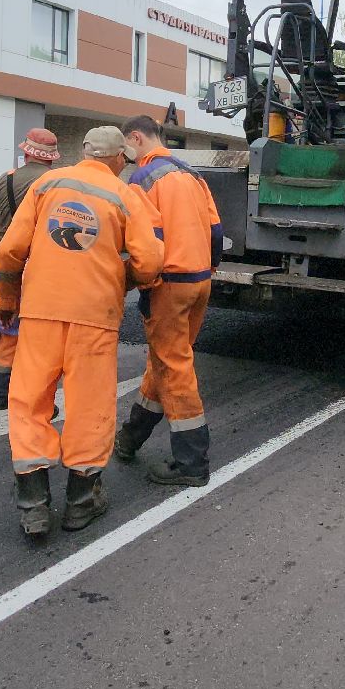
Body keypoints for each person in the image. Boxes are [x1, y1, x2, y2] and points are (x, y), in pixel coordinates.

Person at [0, 126, 164, 537]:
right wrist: (123, 278)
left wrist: (6, 301)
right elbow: (150, 262)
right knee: (90, 405)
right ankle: (81, 502)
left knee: (29, 401)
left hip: (41, 312)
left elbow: (9, 252)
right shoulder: (125, 195)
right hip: (94, 316)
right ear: (118, 158)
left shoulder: (48, 184)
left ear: (85, 152)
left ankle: (33, 505)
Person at [114, 115, 223, 486]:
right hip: (200, 281)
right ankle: (130, 437)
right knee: (166, 360)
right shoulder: (192, 175)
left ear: (135, 138)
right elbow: (216, 231)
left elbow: (149, 242)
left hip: (169, 285)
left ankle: (192, 463)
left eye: (126, 148)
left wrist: (132, 282)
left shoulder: (142, 178)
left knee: (173, 366)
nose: (125, 156)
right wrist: (206, 268)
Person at [0, 127, 61, 411]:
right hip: (41, 269)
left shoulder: (6, 179)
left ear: (25, 153)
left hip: (6, 267)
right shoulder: (56, 183)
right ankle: (36, 398)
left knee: (7, 332)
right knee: (41, 338)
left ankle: (1, 395)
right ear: (52, 158)